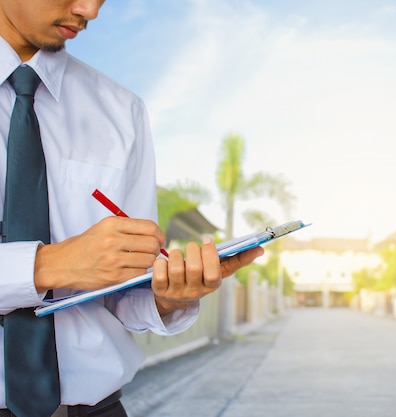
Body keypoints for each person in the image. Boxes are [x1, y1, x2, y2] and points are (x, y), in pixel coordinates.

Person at [0, 0, 264, 416]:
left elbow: (125, 294)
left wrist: (169, 297)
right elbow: (70, 264)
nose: (90, 10)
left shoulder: (121, 110)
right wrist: (47, 266)